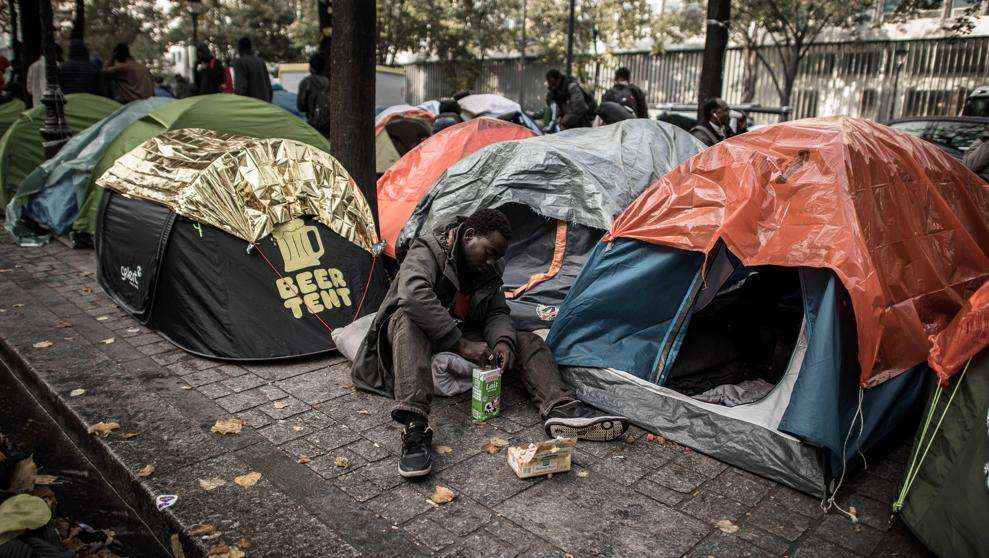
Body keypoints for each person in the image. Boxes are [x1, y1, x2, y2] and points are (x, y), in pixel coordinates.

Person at [351, 208, 630, 478]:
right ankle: (415, 428)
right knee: (408, 319)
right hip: (413, 335)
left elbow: (496, 312)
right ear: (469, 235)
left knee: (527, 340)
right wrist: (460, 344)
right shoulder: (428, 248)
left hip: (456, 333)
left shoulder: (490, 267)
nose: (491, 261)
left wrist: (503, 342)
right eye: (489, 252)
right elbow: (413, 296)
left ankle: (561, 409)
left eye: (497, 256)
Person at [296, 54, 330, 136]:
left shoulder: (306, 82)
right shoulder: (329, 82)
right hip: (329, 125)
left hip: (313, 125)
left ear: (311, 67)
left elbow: (300, 107)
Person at [232, 37, 271, 102]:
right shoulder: (260, 61)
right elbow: (268, 85)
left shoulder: (240, 62)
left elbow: (241, 87)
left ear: (240, 47)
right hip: (264, 103)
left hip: (250, 104)